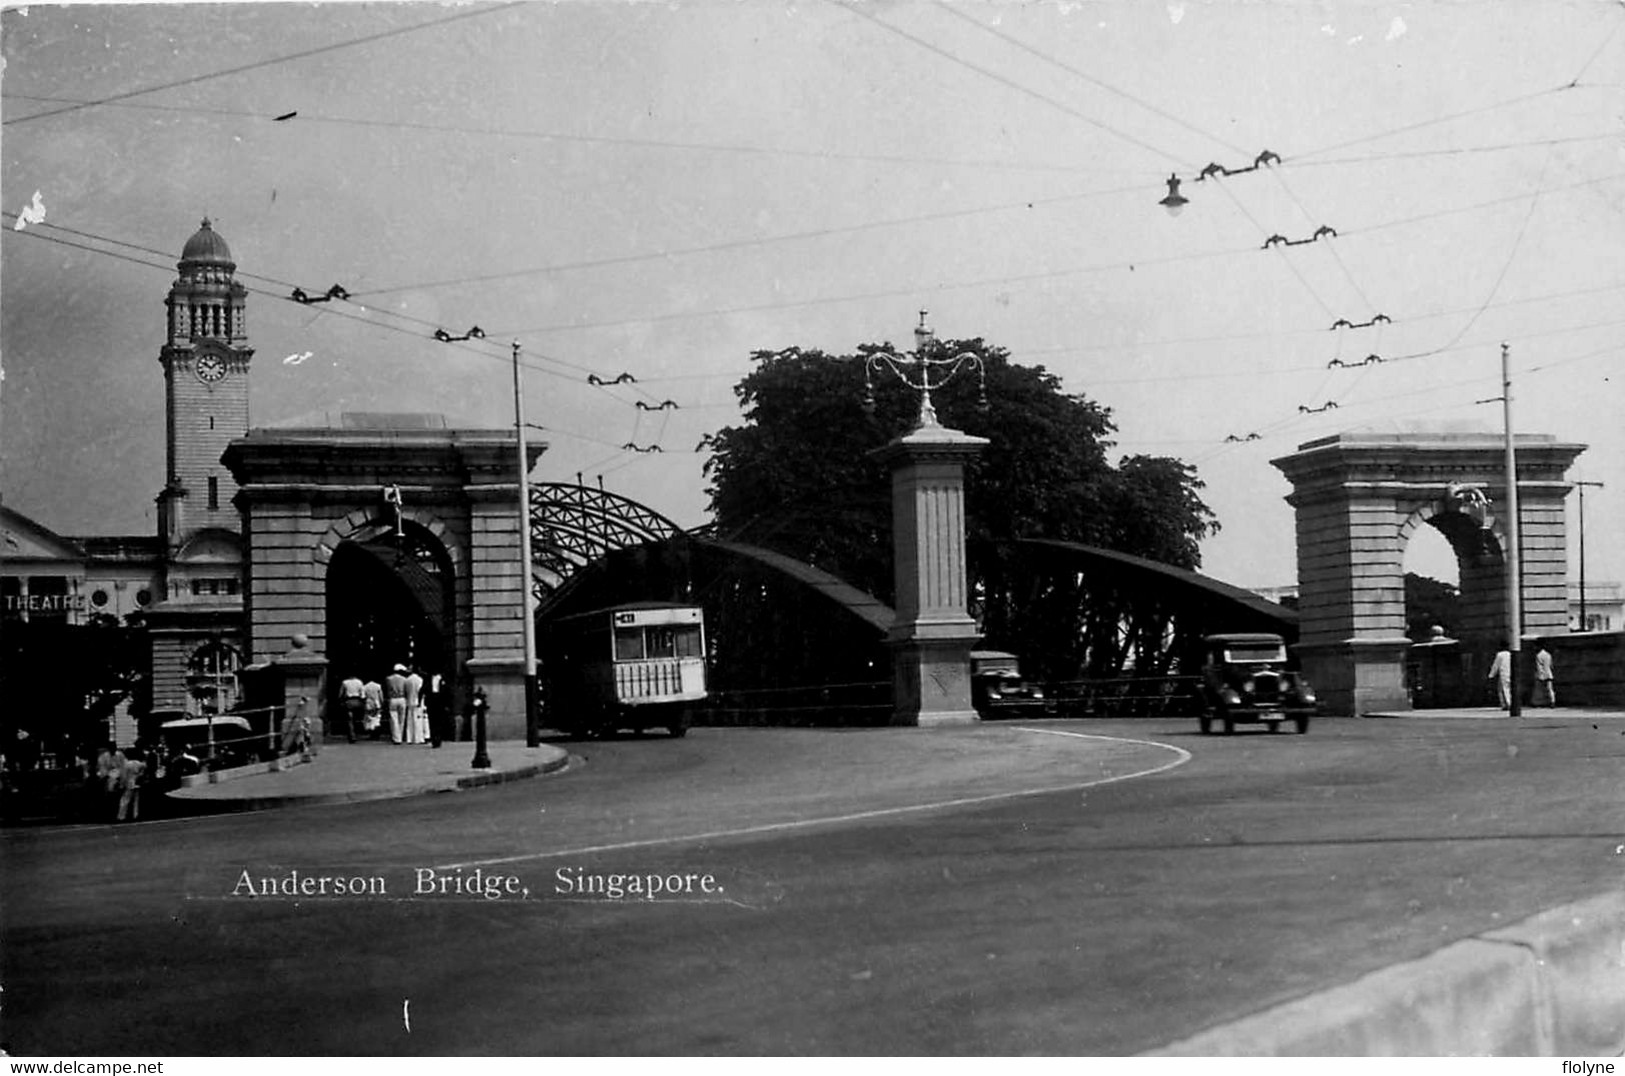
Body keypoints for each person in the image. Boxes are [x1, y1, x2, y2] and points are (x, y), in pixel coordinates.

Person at [116, 748, 146, 822]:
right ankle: (135, 815)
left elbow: (124, 776)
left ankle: (121, 816)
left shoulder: (127, 764)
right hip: (136, 781)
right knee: (136, 800)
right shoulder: (139, 763)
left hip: (129, 782)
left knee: (125, 800)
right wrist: (139, 776)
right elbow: (143, 769)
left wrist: (121, 785)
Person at [338, 673, 365, 744]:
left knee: (350, 720)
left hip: (349, 701)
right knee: (357, 719)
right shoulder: (359, 682)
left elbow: (341, 694)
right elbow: (362, 693)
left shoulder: (345, 682)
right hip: (357, 701)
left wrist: (341, 700)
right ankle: (358, 733)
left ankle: (352, 736)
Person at [385, 665, 409, 744]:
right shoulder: (404, 679)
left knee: (393, 718)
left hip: (393, 698)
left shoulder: (388, 679)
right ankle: (400, 736)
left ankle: (396, 738)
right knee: (401, 719)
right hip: (402, 698)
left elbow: (388, 690)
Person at [426, 671, 448, 748]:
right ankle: (434, 740)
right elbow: (424, 689)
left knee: (439, 722)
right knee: (432, 721)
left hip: (440, 701)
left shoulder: (444, 679)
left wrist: (447, 704)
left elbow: (447, 692)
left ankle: (438, 739)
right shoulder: (428, 679)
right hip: (431, 700)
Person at [404, 666, 426, 745]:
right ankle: (418, 738)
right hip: (417, 701)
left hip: (409, 701)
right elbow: (420, 691)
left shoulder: (407, 680)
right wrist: (420, 701)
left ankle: (410, 738)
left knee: (409, 720)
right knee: (418, 720)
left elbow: (406, 691)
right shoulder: (420, 680)